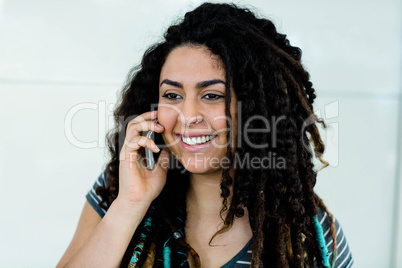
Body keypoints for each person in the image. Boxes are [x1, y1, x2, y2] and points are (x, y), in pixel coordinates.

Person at [57, 2, 354, 268]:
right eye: (172, 95)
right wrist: (129, 206)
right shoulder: (118, 190)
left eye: (212, 96)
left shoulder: (312, 234)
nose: (187, 116)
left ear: (254, 110)